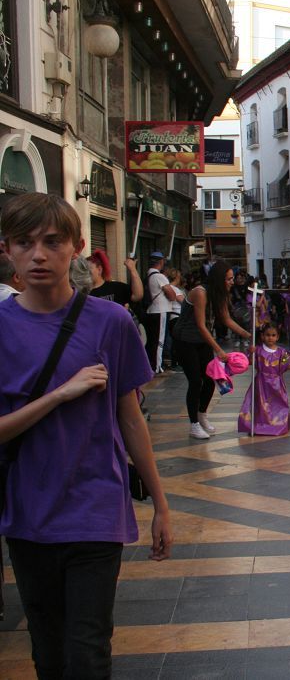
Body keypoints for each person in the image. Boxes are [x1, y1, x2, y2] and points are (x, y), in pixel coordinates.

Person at [0, 192, 172, 678]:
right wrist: (58, 395)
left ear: (76, 247)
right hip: (28, 512)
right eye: (24, 242)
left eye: (52, 242)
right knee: (48, 651)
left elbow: (130, 417)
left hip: (96, 505)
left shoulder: (111, 321)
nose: (38, 254)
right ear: (6, 250)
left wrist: (160, 504)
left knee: (88, 650)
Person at [172, 261, 253, 440]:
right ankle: (193, 424)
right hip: (185, 340)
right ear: (219, 278)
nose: (232, 282)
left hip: (202, 340)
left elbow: (226, 319)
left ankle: (202, 415)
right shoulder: (200, 292)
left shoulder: (220, 294)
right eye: (229, 279)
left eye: (232, 278)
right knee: (195, 382)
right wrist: (219, 350)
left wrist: (249, 335)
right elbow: (201, 325)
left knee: (210, 380)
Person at [239, 322, 290, 436]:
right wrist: (251, 353)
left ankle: (278, 425)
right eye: (267, 335)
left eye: (273, 335)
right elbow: (250, 362)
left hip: (276, 383)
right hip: (261, 382)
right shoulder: (258, 350)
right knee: (261, 405)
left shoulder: (281, 351)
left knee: (278, 403)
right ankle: (260, 425)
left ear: (277, 336)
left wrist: (282, 367)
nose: (270, 337)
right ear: (262, 336)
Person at [143, 252, 176, 373]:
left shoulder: (148, 275)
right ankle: (156, 366)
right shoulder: (159, 276)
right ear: (161, 262)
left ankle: (151, 364)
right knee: (159, 340)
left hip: (151, 311)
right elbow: (172, 295)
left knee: (152, 339)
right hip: (160, 311)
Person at [165, 268, 186, 372]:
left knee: (175, 340)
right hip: (176, 317)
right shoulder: (175, 289)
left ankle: (175, 362)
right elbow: (183, 302)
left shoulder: (169, 287)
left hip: (172, 317)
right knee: (177, 341)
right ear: (177, 277)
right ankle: (176, 362)